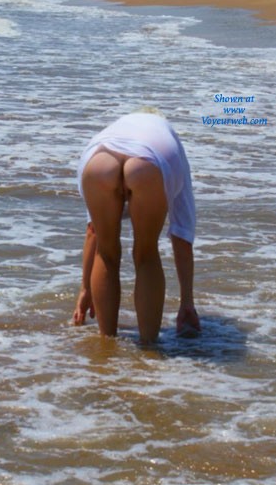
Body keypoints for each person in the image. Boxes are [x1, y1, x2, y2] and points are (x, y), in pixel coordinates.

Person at [72, 111, 200, 344]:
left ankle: (106, 347)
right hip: (151, 158)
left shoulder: (118, 127)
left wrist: (85, 290)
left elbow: (92, 232)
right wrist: (187, 303)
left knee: (106, 252)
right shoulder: (168, 135)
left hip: (99, 158)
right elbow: (182, 232)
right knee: (146, 254)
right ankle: (149, 349)